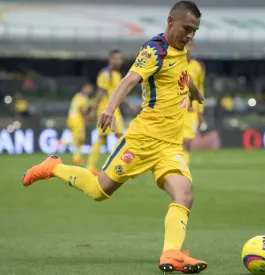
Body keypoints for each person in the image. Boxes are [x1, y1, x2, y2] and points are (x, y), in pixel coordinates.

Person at [22, 1, 207, 273]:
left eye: (195, 31)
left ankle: (171, 254)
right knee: (99, 191)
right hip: (142, 141)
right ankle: (54, 167)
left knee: (185, 194)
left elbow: (180, 73)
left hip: (169, 145)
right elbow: (129, 80)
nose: (190, 35)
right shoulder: (154, 51)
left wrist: (192, 90)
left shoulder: (179, 52)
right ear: (170, 22)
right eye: (187, 28)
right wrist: (109, 109)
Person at [85, 49, 138, 175]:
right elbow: (101, 92)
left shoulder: (116, 74)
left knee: (102, 138)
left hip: (114, 109)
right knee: (121, 136)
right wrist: (93, 110)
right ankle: (126, 165)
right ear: (110, 59)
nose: (118, 61)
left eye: (120, 59)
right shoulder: (105, 74)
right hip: (107, 110)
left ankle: (90, 166)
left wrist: (130, 104)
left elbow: (119, 93)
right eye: (116, 58)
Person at [182, 38, 205, 166]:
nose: (188, 48)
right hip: (176, 110)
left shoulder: (199, 66)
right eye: (185, 45)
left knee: (187, 143)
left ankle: (183, 175)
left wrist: (200, 112)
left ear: (194, 47)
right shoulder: (176, 64)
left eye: (190, 45)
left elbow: (200, 88)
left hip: (191, 112)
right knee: (177, 145)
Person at [67, 83, 94, 165]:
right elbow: (81, 109)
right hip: (77, 120)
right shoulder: (82, 98)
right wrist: (86, 120)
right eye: (88, 88)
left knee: (79, 141)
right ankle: (60, 143)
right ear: (84, 88)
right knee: (79, 140)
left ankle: (76, 158)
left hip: (71, 119)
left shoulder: (77, 96)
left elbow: (90, 103)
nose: (89, 90)